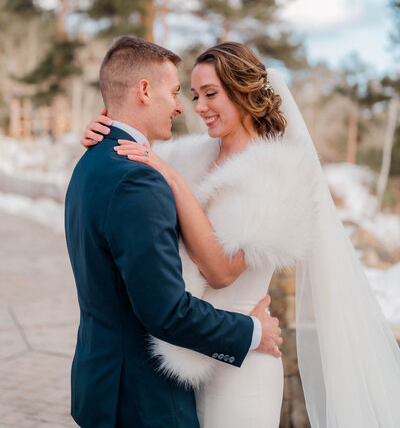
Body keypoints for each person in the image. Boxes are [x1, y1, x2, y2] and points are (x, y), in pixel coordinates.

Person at [84, 40, 400, 428]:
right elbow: (128, 167)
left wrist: (174, 181)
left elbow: (220, 270)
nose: (198, 107)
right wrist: (104, 129)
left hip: (243, 368)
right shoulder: (191, 155)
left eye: (210, 94)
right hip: (182, 367)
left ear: (243, 92)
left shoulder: (278, 172)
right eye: (194, 94)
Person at [65, 36, 283, 428]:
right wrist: (253, 331)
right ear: (144, 90)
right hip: (145, 395)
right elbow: (165, 311)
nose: (188, 107)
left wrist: (112, 124)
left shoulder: (93, 162)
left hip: (128, 383)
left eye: (207, 94)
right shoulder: (140, 177)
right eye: (182, 92)